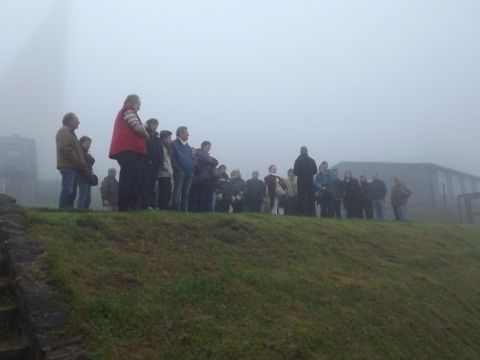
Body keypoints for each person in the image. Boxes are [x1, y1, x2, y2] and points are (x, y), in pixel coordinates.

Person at [109, 94, 149, 211]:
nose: (139, 108)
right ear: (134, 103)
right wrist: (147, 136)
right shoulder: (129, 110)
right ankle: (125, 205)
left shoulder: (125, 112)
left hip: (127, 149)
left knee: (132, 176)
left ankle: (130, 205)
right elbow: (137, 127)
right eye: (139, 105)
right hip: (128, 149)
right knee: (129, 177)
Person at [56, 112, 88, 208]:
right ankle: (63, 212)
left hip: (72, 166)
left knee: (72, 192)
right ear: (70, 121)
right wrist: (77, 160)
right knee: (68, 190)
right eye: (76, 119)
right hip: (68, 166)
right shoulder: (64, 131)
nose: (79, 121)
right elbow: (65, 148)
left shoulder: (70, 133)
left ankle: (68, 211)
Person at [139, 118, 163, 210]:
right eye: (153, 124)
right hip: (146, 163)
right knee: (145, 184)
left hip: (155, 165)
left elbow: (160, 151)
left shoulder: (157, 138)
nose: (155, 126)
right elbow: (144, 148)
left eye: (156, 124)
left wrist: (160, 162)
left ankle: (152, 204)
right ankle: (144, 205)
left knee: (152, 185)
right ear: (148, 124)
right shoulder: (145, 135)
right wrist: (147, 159)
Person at [171, 126, 196, 212]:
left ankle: (183, 211)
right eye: (186, 133)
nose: (188, 135)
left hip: (189, 173)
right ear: (181, 133)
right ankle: (175, 210)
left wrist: (192, 167)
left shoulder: (188, 147)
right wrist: (178, 169)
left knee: (186, 193)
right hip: (179, 172)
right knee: (177, 192)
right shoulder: (174, 144)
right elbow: (173, 158)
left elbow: (192, 158)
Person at [293, 146, 317, 216]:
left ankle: (301, 212)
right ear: (307, 151)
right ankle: (311, 213)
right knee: (310, 197)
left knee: (301, 197)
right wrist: (309, 174)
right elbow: (315, 171)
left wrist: (301, 174)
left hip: (301, 181)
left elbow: (295, 172)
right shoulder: (311, 160)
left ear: (300, 151)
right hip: (310, 181)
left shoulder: (297, 160)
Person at [196, 141, 219, 212]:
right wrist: (213, 161)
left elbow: (214, 162)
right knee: (204, 195)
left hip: (209, 177)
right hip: (204, 177)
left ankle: (207, 211)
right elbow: (211, 161)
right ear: (204, 145)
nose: (209, 148)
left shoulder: (207, 154)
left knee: (209, 195)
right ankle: (203, 210)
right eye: (208, 146)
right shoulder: (200, 152)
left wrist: (213, 161)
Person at [76, 136, 96, 209]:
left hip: (87, 176)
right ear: (81, 143)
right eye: (87, 143)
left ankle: (84, 212)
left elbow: (92, 160)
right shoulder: (79, 151)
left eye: (90, 144)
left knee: (87, 199)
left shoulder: (85, 152)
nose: (89, 145)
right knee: (83, 197)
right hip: (82, 176)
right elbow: (83, 162)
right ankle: (80, 212)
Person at [157, 130, 173, 210]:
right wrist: (167, 169)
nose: (170, 139)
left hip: (168, 174)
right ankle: (162, 207)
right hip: (162, 174)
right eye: (169, 137)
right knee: (163, 192)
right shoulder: (161, 147)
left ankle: (165, 208)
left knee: (168, 192)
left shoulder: (168, 148)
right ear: (164, 138)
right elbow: (162, 161)